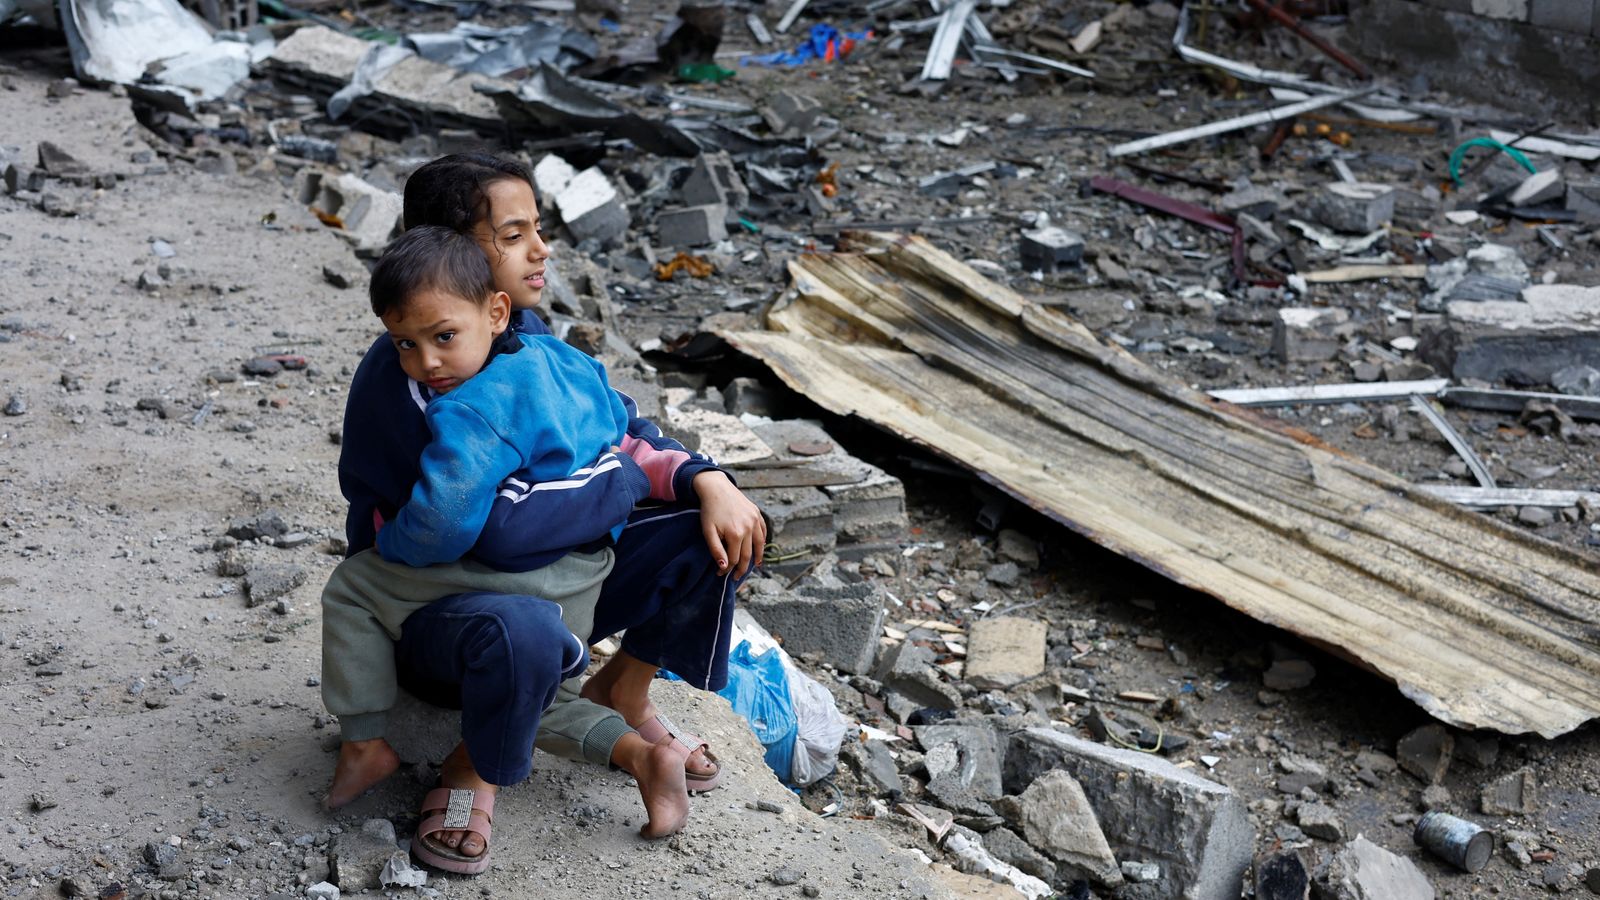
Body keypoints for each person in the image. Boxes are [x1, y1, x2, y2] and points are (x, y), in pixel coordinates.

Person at [320, 153, 765, 874]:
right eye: (515, 233)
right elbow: (491, 532)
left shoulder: (531, 340)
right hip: (447, 612)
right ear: (454, 251)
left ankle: (623, 688)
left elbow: (616, 423)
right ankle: (473, 765)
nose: (541, 249)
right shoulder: (412, 378)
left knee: (715, 530)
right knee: (524, 625)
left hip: (557, 576)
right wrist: (612, 483)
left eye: (538, 229)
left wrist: (702, 478)